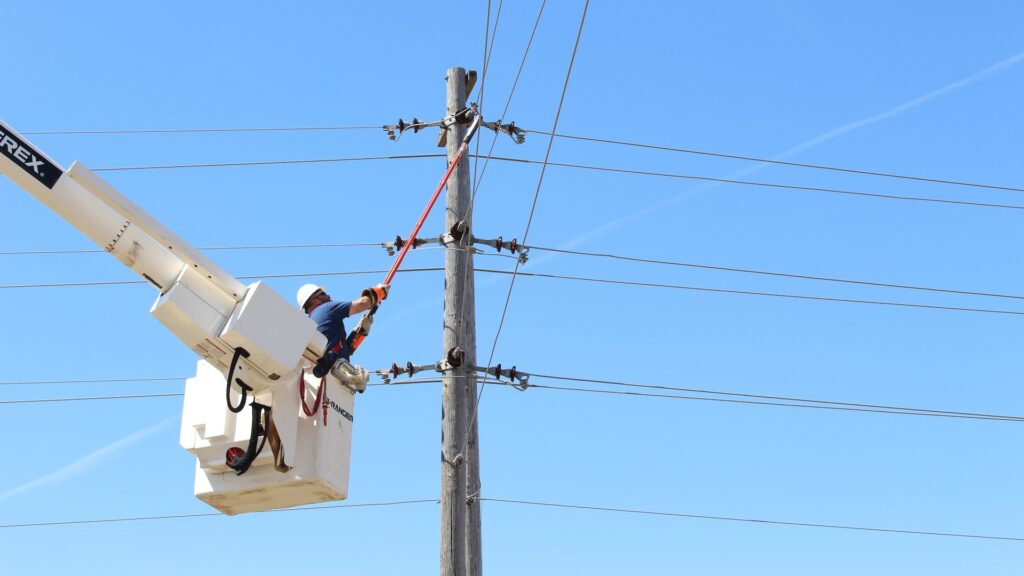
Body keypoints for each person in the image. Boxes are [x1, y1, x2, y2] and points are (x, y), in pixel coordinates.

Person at [296, 283, 388, 383]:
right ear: (313, 299)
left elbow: (340, 349)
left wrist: (360, 330)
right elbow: (363, 303)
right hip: (338, 375)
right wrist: (380, 291)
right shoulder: (326, 308)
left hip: (328, 376)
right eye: (323, 293)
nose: (329, 296)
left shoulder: (310, 326)